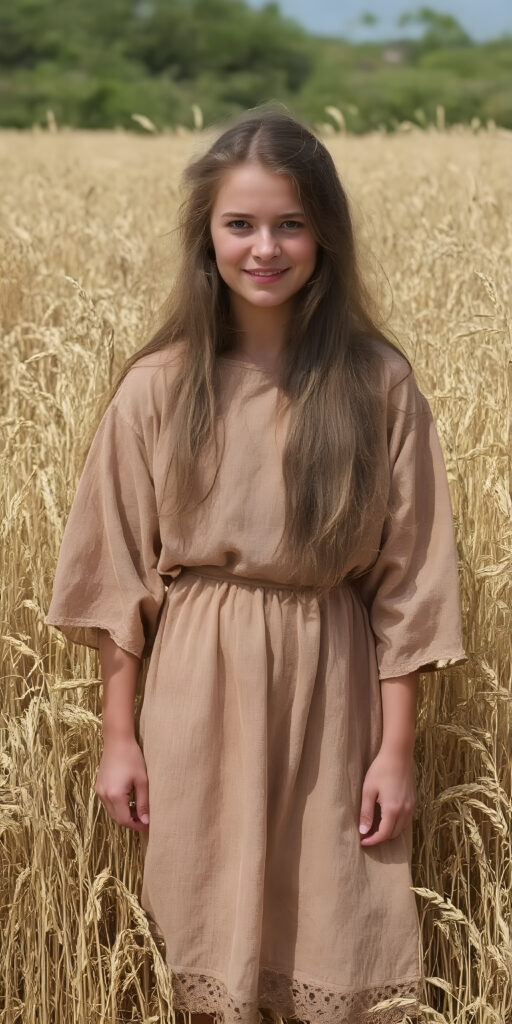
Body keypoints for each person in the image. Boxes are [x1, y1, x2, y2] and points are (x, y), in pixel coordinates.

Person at [45, 105, 467, 1024]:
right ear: (208, 235)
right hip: (197, 688)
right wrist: (121, 737)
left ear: (325, 233)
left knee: (335, 938)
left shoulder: (378, 385)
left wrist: (396, 753)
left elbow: (411, 585)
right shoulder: (158, 385)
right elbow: (117, 577)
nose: (264, 248)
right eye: (240, 224)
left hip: (335, 689)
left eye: (290, 223)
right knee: (196, 947)